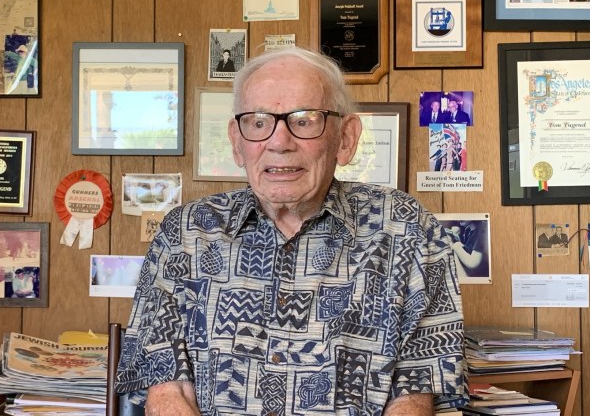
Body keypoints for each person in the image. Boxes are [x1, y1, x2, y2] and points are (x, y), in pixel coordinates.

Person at [115, 47, 467, 415]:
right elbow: (167, 393)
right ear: (237, 142)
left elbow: (416, 393)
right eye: (258, 122)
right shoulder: (185, 234)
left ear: (345, 139)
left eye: (304, 120)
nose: (279, 142)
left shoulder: (407, 229)